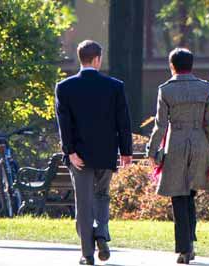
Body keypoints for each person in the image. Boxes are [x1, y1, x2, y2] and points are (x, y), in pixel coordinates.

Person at [55, 40, 134, 265]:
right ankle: (101, 233)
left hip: (79, 155)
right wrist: (126, 151)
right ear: (98, 59)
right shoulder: (114, 86)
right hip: (106, 153)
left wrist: (69, 151)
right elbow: (123, 121)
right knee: (102, 196)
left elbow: (64, 123)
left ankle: (87, 254)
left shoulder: (65, 87)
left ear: (80, 59)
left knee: (84, 202)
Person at [146, 48, 209, 264]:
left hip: (175, 143)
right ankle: (189, 243)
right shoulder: (204, 88)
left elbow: (160, 124)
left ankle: (184, 249)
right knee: (190, 194)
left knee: (178, 196)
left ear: (171, 65)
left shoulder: (166, 90)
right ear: (192, 65)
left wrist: (152, 150)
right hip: (200, 143)